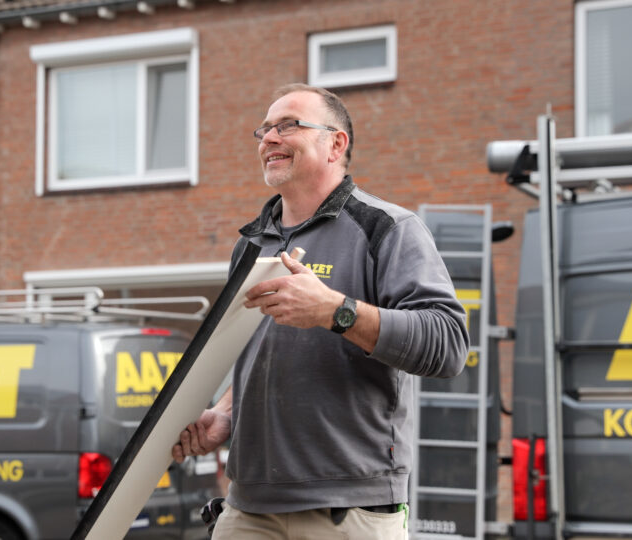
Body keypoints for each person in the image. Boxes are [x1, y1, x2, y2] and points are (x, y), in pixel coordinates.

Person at [171, 83, 469, 539]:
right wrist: (227, 412)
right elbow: (258, 347)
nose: (269, 138)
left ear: (336, 144)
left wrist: (335, 311)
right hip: (248, 506)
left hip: (348, 507)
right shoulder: (250, 244)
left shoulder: (388, 229)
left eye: (288, 125)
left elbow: (447, 345)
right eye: (265, 129)